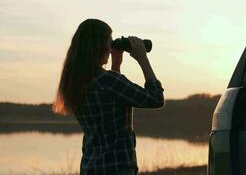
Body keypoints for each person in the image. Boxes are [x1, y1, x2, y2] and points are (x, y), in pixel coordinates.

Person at [52, 19, 165, 175]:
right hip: (117, 168)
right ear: (99, 47)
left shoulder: (76, 82)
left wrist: (116, 66)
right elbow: (156, 98)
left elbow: (111, 105)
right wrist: (143, 59)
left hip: (91, 167)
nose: (111, 46)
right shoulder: (107, 81)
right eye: (109, 41)